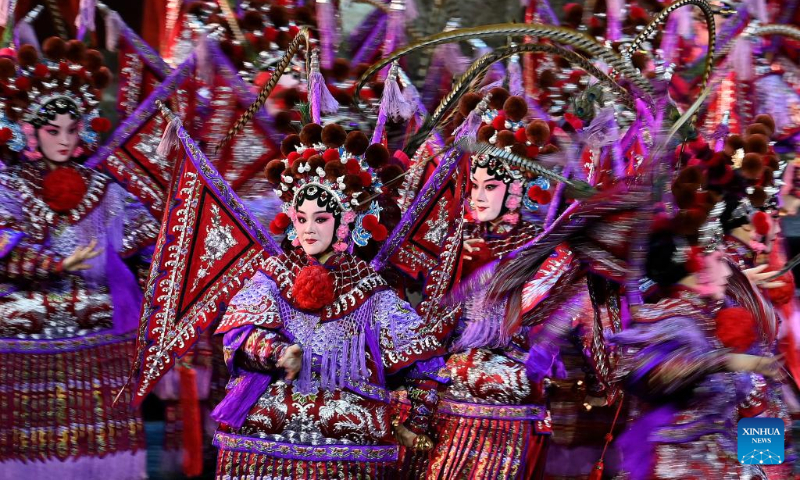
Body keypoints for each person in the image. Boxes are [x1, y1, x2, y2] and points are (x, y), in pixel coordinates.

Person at [209, 123, 444, 479]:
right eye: (300, 219)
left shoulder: (369, 289)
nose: (308, 230)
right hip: (269, 425)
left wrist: (407, 420)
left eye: (320, 219)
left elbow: (424, 366)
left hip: (345, 435)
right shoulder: (274, 274)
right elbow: (237, 338)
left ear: (345, 223)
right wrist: (277, 353)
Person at [0, 38, 158, 477]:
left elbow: (146, 241)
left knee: (112, 311)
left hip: (97, 306)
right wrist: (53, 265)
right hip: (23, 304)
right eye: (54, 131)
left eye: (73, 129)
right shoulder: (9, 187)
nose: (66, 140)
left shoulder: (103, 188)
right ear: (30, 132)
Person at [611, 176, 785, 478]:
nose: (729, 270)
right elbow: (652, 374)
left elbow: (754, 405)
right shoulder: (668, 320)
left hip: (728, 465)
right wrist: (727, 361)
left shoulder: (716, 316)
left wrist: (768, 469)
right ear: (696, 265)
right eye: (720, 259)